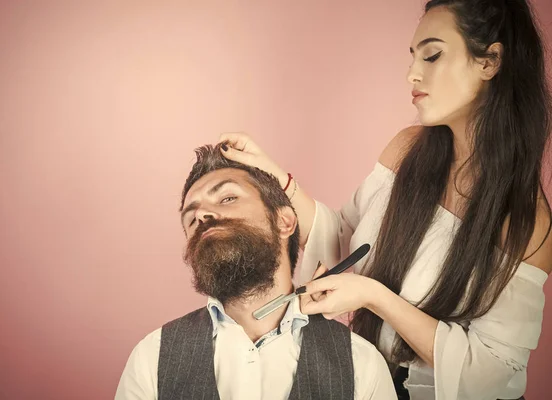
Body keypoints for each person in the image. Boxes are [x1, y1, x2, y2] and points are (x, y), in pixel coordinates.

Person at [218, 0, 552, 399]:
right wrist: (273, 174)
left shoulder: (525, 219)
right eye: (413, 57)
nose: (413, 73)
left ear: (490, 62)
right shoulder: (408, 149)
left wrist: (373, 296)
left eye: (433, 55)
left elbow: (490, 375)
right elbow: (348, 241)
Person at [115, 145, 396, 399]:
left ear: (284, 222)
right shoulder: (151, 358)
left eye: (227, 198)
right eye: (191, 218)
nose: (202, 216)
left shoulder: (362, 364)